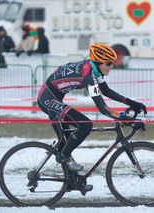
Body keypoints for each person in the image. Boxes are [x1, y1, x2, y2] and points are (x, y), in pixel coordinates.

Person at [37, 43, 147, 172]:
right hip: (47, 100)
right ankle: (64, 157)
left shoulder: (93, 68)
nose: (112, 66)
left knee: (67, 141)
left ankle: (70, 177)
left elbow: (106, 91)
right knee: (85, 125)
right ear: (99, 62)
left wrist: (132, 103)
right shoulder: (89, 76)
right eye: (109, 63)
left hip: (54, 98)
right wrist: (125, 118)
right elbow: (103, 108)